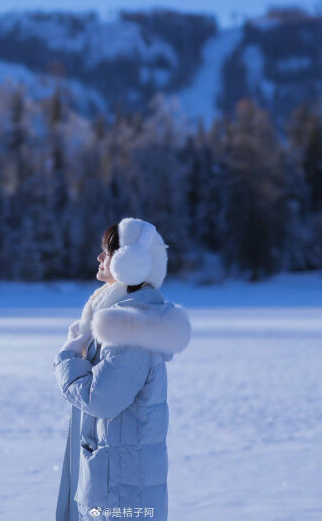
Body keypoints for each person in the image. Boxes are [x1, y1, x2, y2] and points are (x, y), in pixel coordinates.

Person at [53, 217, 191, 521]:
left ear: (130, 262)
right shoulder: (118, 319)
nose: (99, 258)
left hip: (120, 492)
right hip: (113, 482)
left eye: (108, 251)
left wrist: (67, 358)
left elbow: (101, 400)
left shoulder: (130, 330)